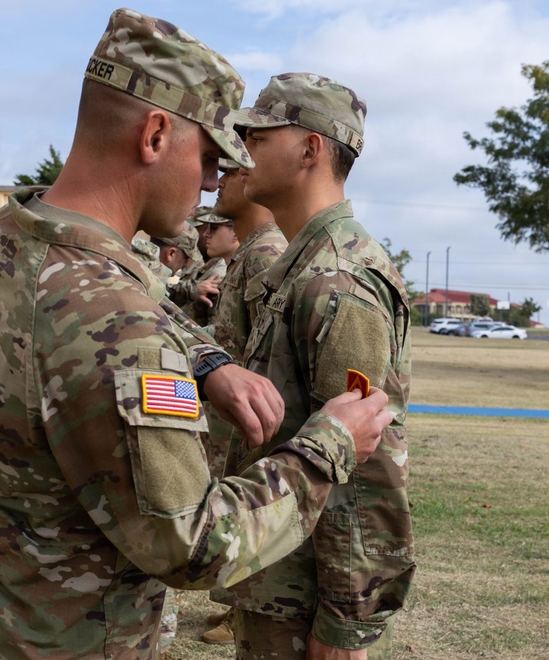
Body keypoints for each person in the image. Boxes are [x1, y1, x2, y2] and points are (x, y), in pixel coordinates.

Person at [0, 9, 394, 659]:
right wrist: (330, 444)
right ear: (155, 134)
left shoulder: (2, 240)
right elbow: (193, 545)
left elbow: (130, 293)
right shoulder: (121, 329)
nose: (216, 182)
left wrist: (210, 361)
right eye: (211, 156)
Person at [213, 73, 415, 660]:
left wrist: (347, 623)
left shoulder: (337, 278)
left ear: (310, 149)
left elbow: (365, 466)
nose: (241, 149)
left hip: (304, 600)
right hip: (280, 573)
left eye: (258, 135)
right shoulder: (302, 266)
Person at [201, 157, 289, 646]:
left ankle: (242, 610)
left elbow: (266, 352)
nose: (218, 183)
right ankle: (237, 607)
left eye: (230, 172)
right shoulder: (250, 252)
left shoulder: (263, 255)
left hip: (248, 419)